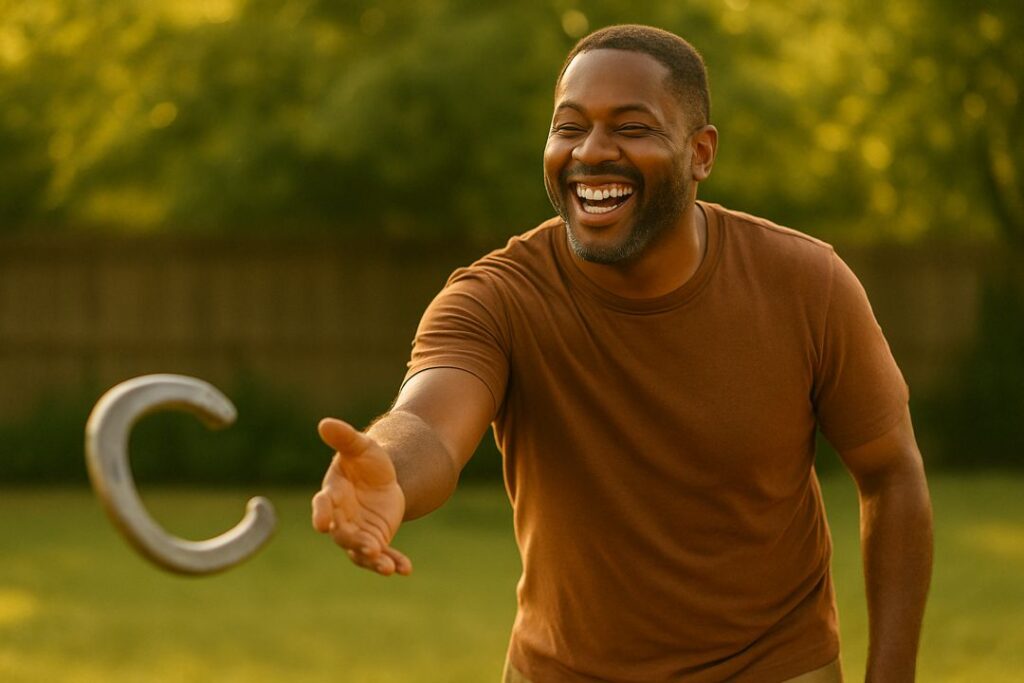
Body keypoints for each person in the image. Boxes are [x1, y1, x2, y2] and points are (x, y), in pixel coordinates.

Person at [311, 24, 933, 683]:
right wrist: (390, 467)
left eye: (630, 128)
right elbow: (432, 424)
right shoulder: (497, 296)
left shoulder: (806, 283)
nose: (591, 151)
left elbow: (892, 473)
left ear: (701, 153)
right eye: (569, 126)